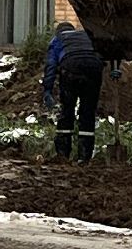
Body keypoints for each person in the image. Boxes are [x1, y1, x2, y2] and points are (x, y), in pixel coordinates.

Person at [42, 21, 104, 163]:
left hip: (71, 68)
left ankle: (63, 154)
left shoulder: (57, 39)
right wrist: (114, 69)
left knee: (67, 110)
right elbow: (103, 52)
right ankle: (84, 157)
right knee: (88, 112)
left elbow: (51, 66)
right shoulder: (86, 36)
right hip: (94, 68)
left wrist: (47, 90)